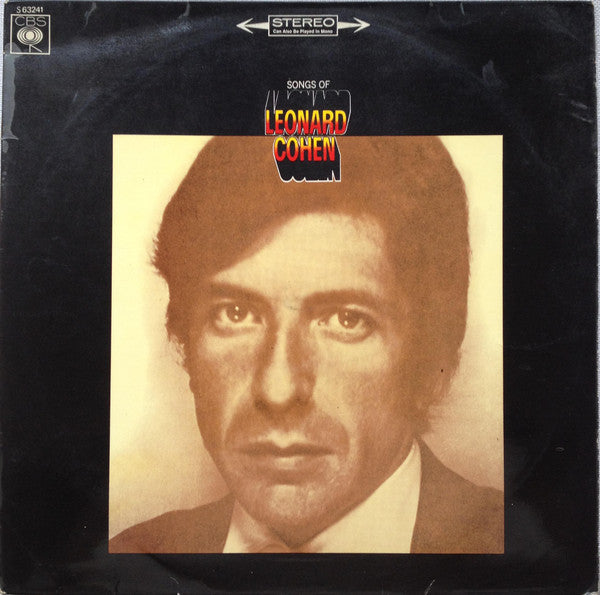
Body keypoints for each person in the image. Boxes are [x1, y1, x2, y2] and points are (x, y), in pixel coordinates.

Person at [109, 136, 503, 554]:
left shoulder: (522, 553)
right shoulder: (134, 559)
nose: (278, 389)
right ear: (185, 340)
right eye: (235, 313)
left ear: (432, 365)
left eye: (346, 320)